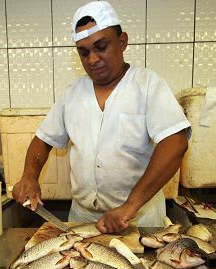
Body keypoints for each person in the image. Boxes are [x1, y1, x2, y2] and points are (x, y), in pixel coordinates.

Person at [13, 1, 189, 234]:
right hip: (83, 219)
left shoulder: (147, 85)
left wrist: (130, 206)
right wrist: (29, 175)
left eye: (101, 47)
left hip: (138, 218)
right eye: (84, 52)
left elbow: (175, 143)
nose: (92, 59)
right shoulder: (72, 94)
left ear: (122, 41)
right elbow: (43, 140)